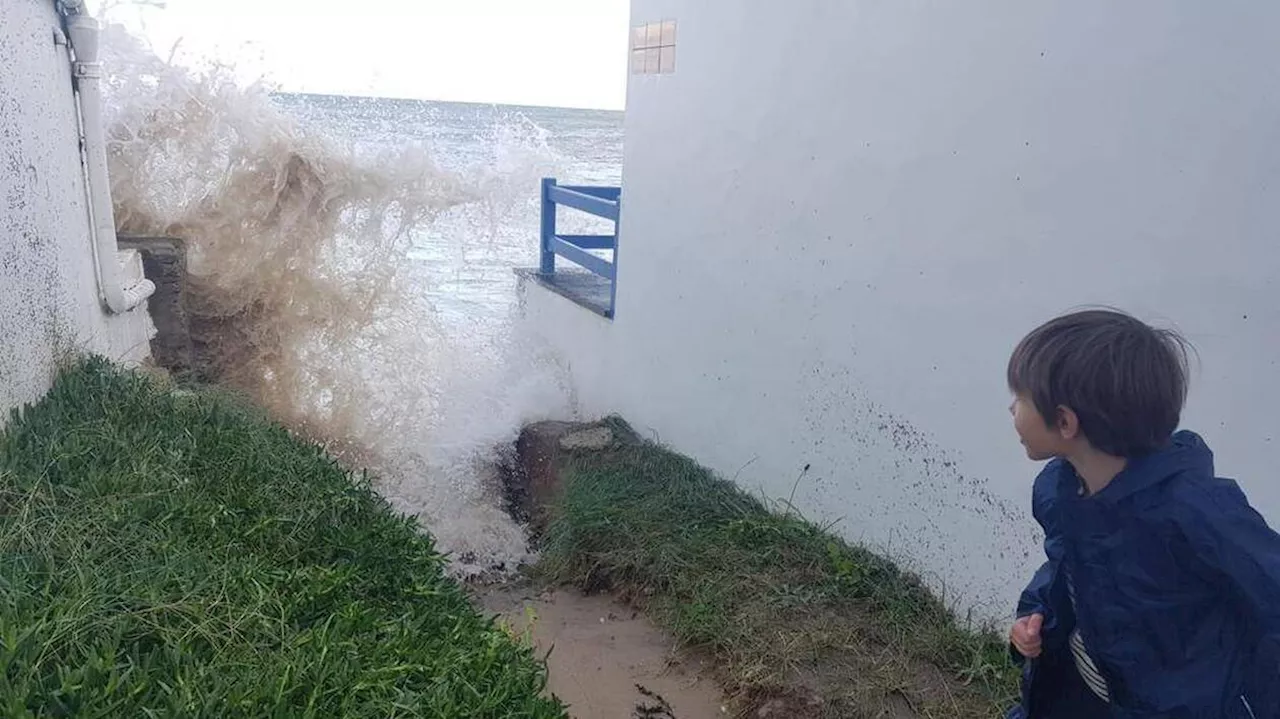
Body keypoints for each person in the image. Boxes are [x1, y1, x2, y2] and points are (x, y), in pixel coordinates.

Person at [1004, 309, 1280, 718]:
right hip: (1080, 693)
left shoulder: (1196, 510)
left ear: (1064, 421)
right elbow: (1068, 565)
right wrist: (1036, 613)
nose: (1012, 409)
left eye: (1021, 398)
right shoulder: (1062, 488)